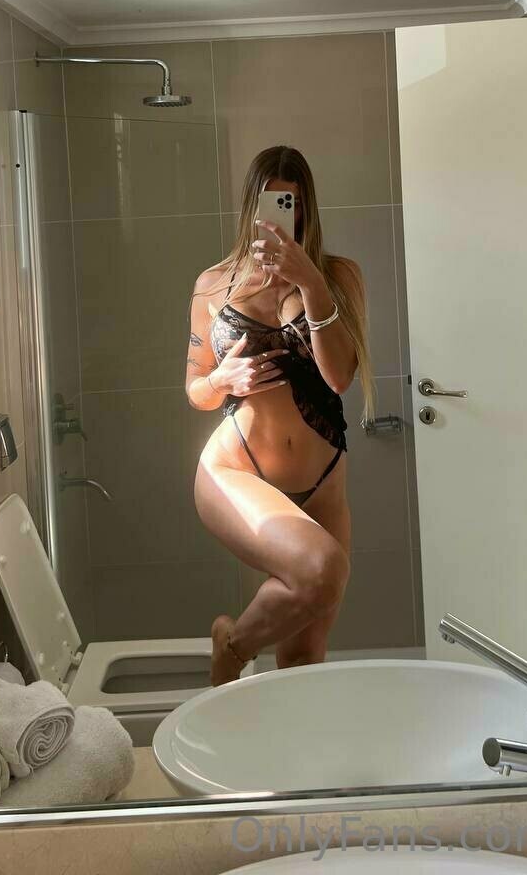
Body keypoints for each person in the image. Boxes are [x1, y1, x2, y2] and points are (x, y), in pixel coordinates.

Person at [186, 145, 373, 684]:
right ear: (251, 206)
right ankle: (235, 648)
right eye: (270, 202)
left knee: (303, 660)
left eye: (291, 203)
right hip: (236, 472)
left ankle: (235, 653)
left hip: (322, 485)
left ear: (307, 207)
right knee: (322, 570)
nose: (280, 215)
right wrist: (221, 381)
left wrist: (310, 283)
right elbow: (195, 389)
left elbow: (339, 378)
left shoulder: (338, 277)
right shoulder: (213, 284)